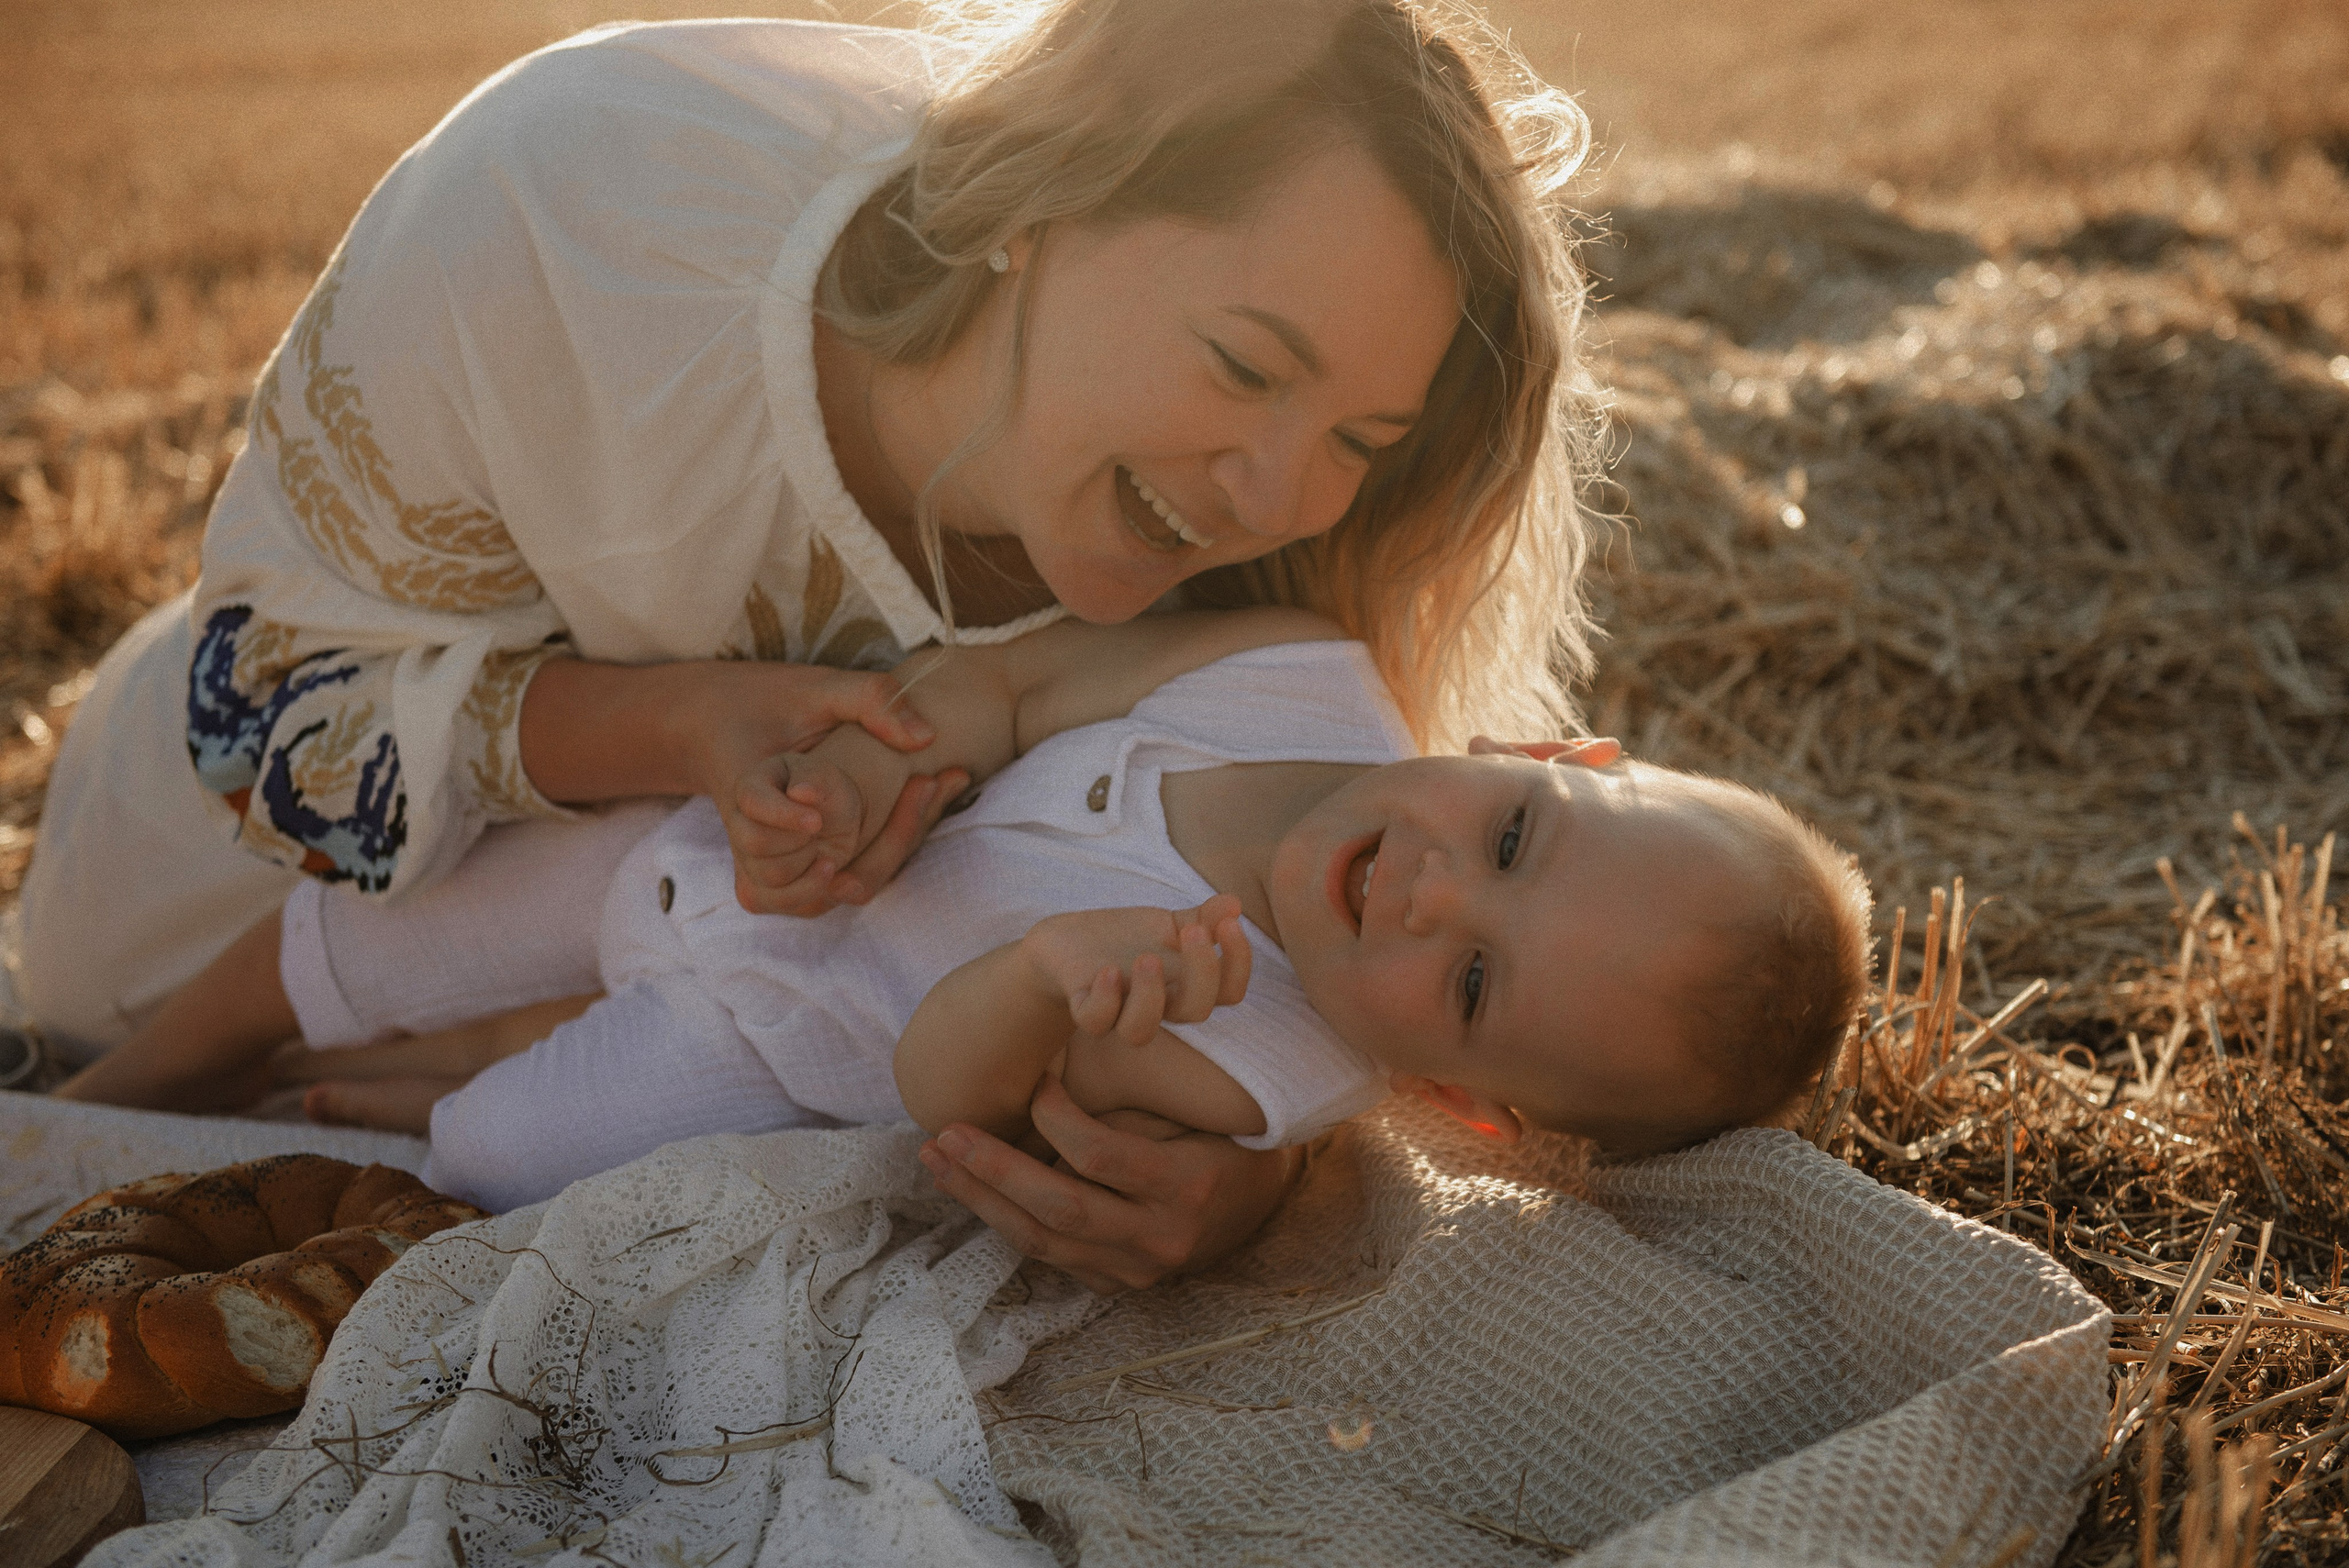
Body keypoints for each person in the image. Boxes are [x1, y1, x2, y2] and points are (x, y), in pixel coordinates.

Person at [21, 0, 1599, 1290]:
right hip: (213, 900)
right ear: (1049, 198)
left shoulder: (1273, 576)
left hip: (664, 1031)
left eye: (1360, 440)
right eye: (1245, 367)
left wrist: (1251, 1175)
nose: (1273, 497)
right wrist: (677, 725)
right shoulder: (576, 208)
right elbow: (266, 718)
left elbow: (1328, 940)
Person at [61, 610, 1874, 1216]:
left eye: (1470, 980)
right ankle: (101, 1090)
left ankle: (277, 1133)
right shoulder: (1294, 675)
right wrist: (882, 767)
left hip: (755, 1042)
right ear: (1545, 748)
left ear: (1458, 1101)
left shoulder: (1260, 1058)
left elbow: (944, 1090)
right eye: (1516, 836)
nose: (1430, 888)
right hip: (708, 847)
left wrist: (1043, 979)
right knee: (348, 933)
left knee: (491, 1157)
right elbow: (1016, 683)